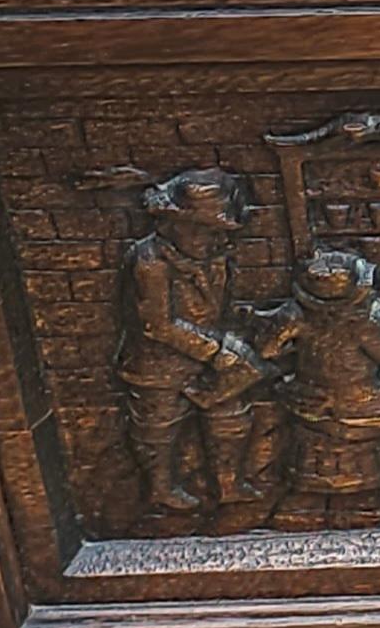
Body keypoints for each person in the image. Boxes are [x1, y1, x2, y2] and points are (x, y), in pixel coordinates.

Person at [113, 166, 271, 513]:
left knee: (231, 415)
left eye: (218, 231)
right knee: (159, 425)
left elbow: (218, 304)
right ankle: (160, 489)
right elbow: (157, 324)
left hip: (208, 349)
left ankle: (229, 484)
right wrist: (215, 351)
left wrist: (244, 327)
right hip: (159, 362)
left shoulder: (214, 255)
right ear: (174, 224)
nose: (215, 239)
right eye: (205, 231)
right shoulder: (150, 261)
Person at [266, 245, 380, 495]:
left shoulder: (293, 313)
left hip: (304, 395)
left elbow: (268, 350)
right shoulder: (364, 322)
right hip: (357, 400)